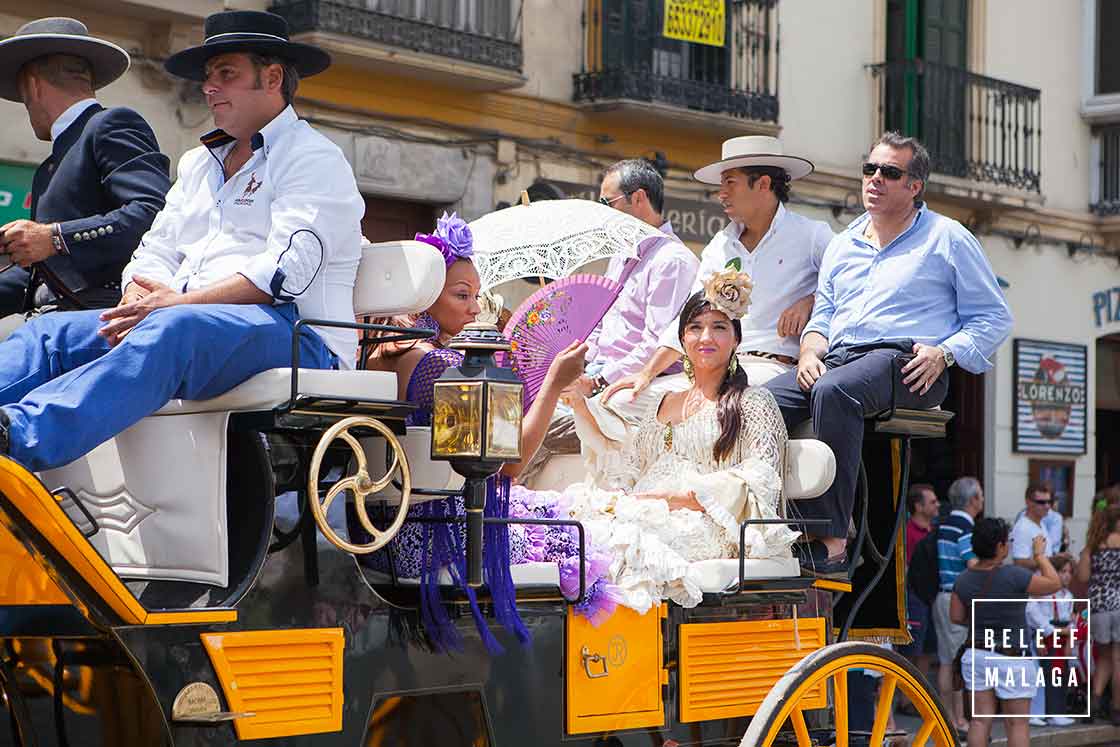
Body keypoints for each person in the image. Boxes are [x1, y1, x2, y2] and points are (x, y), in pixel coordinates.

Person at [0, 10, 363, 471]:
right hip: (190, 322)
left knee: (173, 331)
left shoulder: (314, 158)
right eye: (209, 76)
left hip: (298, 334)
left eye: (226, 74)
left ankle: (17, 435)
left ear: (272, 78)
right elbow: (157, 247)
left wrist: (176, 304)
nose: (209, 87)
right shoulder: (199, 162)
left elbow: (283, 273)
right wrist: (136, 295)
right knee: (47, 333)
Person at [764, 132, 1013, 577]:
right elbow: (824, 316)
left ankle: (834, 540)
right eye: (869, 169)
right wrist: (807, 351)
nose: (875, 179)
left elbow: (993, 317)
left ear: (915, 186)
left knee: (835, 392)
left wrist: (946, 354)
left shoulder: (948, 237)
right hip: (840, 357)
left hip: (912, 360)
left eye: (890, 172)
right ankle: (768, 523)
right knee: (756, 403)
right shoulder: (843, 244)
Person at [605, 136, 833, 411]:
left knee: (719, 407)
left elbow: (848, 286)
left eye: (730, 183)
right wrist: (646, 374)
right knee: (620, 402)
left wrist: (810, 300)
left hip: (772, 368)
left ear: (763, 184)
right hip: (713, 370)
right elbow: (687, 316)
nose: (721, 193)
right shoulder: (719, 245)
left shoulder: (812, 235)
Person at [518, 159, 699, 480]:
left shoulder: (673, 260)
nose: (603, 211)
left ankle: (507, 508)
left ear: (639, 199)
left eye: (608, 202)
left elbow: (656, 345)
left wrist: (598, 381)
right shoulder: (621, 254)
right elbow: (601, 322)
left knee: (536, 427)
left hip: (628, 383)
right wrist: (574, 359)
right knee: (520, 410)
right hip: (597, 375)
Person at [0, 17, 170, 334]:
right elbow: (45, 273)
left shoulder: (110, 124)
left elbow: (153, 214)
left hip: (99, 319)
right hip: (50, 320)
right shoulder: (51, 165)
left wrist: (54, 237)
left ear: (33, 86)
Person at [951, 519, 1061, 747]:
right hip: (1012, 657)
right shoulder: (1014, 575)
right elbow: (1054, 583)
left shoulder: (963, 579)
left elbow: (956, 617)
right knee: (1017, 723)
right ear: (1000, 547)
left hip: (977, 654)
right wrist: (1040, 556)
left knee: (979, 721)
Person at [934, 476, 985, 733]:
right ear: (973, 499)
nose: (983, 500)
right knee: (957, 662)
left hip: (941, 597)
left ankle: (947, 718)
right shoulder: (965, 528)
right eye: (981, 495)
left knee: (946, 660)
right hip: (957, 599)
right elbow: (972, 563)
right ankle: (958, 721)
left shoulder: (943, 525)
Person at [1077, 504, 1120, 724]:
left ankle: (1092, 704)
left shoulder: (1092, 547)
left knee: (1103, 657)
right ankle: (1116, 709)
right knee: (1118, 657)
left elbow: (1083, 577)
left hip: (1099, 607)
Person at [1026, 555, 1076, 726]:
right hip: (1045, 638)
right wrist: (1041, 638)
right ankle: (1043, 712)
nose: (1067, 576)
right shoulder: (1044, 594)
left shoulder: (1068, 596)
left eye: (1070, 572)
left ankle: (1057, 711)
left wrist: (1069, 640)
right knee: (1045, 675)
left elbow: (1071, 621)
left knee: (1061, 674)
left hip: (1060, 639)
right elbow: (1034, 616)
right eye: (1062, 572)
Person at [900, 483, 940, 680]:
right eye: (932, 502)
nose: (937, 505)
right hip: (914, 597)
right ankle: (904, 698)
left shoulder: (936, 531)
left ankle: (916, 699)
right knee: (911, 649)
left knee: (928, 649)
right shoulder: (907, 532)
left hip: (933, 597)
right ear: (918, 506)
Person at [1010, 483, 1057, 569]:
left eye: (1049, 502)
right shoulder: (1022, 528)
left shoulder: (1040, 523)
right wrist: (1052, 561)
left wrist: (1057, 558)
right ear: (1028, 502)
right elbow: (1019, 562)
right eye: (1041, 502)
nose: (1047, 506)